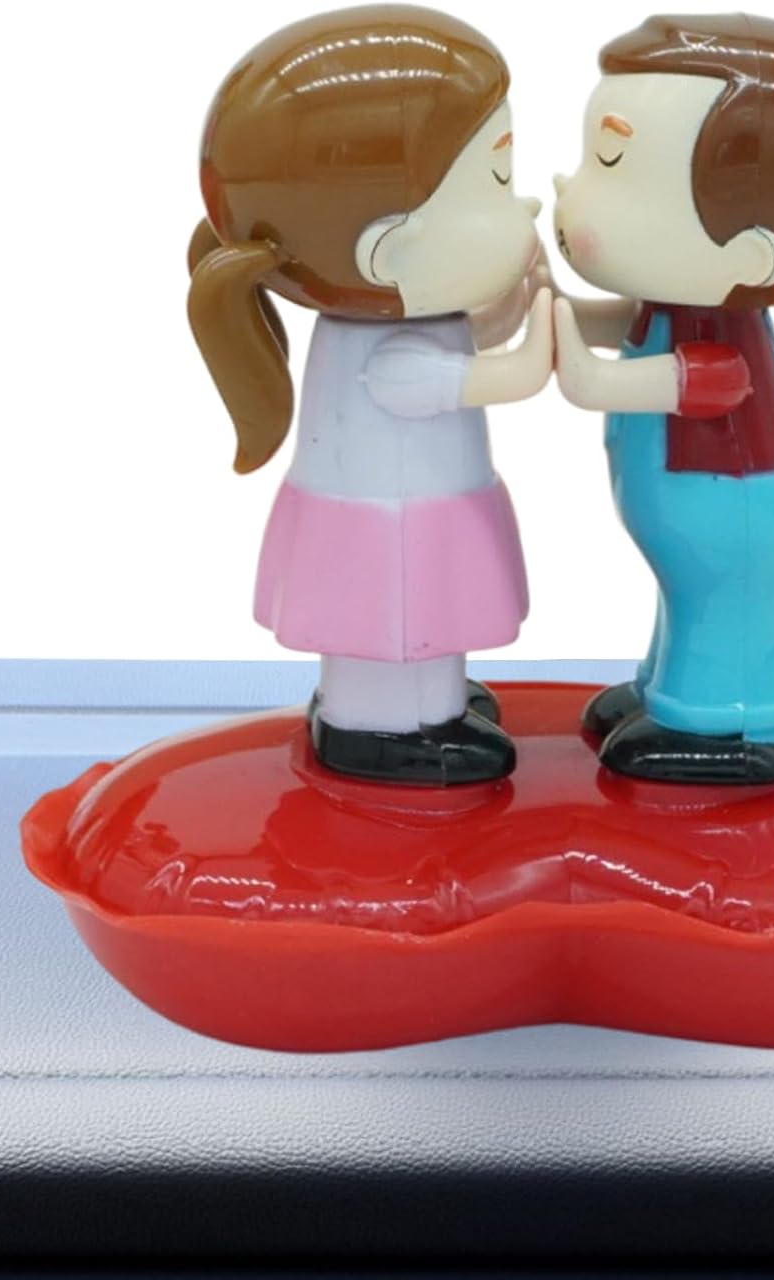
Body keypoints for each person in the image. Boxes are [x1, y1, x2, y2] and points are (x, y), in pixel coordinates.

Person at [188, 8, 552, 785]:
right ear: (388, 249)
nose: (522, 207)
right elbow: (505, 376)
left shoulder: (411, 315)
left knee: (424, 618)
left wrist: (518, 302)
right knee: (392, 621)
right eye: (495, 183)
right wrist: (550, 338)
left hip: (420, 507)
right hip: (392, 525)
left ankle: (428, 703)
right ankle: (379, 728)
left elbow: (472, 341)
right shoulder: (384, 357)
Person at [551, 14, 774, 783]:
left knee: (723, 605)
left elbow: (652, 380)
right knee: (688, 592)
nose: (570, 195)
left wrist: (575, 363)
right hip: (694, 502)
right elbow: (633, 333)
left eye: (613, 166)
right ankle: (668, 690)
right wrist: (562, 311)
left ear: (750, 252)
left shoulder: (725, 342)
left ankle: (732, 722)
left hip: (733, 505)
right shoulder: (675, 301)